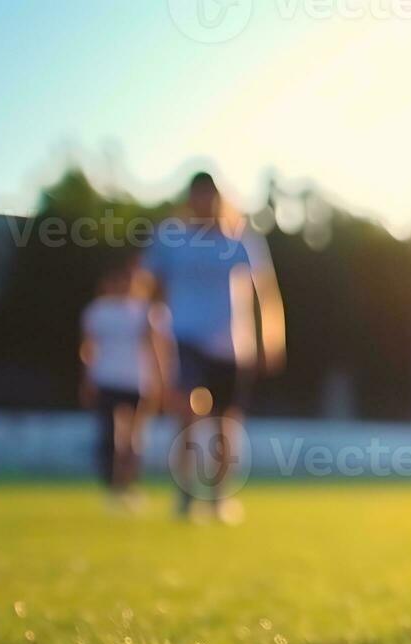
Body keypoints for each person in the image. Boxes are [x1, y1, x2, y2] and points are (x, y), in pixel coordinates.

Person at [143, 172, 285, 523]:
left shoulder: (240, 240)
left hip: (232, 346)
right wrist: (149, 335)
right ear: (190, 199)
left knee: (225, 424)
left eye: (210, 195)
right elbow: (148, 288)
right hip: (184, 339)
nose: (204, 202)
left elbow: (265, 293)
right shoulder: (171, 239)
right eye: (198, 195)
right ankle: (185, 494)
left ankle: (218, 498)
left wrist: (271, 337)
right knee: (187, 414)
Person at [78, 257, 172, 509]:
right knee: (112, 435)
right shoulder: (99, 311)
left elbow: (157, 349)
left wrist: (161, 382)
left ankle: (128, 483)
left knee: (134, 437)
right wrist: (88, 378)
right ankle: (112, 485)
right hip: (107, 379)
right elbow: (89, 347)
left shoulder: (150, 313)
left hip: (138, 382)